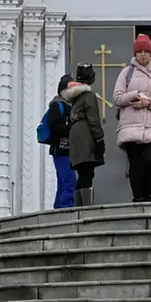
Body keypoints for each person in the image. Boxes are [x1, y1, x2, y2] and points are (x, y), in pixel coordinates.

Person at [113, 34, 151, 202]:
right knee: (135, 164)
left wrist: (148, 102)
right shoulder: (127, 72)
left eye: (146, 51)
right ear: (135, 53)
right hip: (130, 126)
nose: (143, 54)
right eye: (140, 51)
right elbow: (117, 98)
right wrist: (134, 96)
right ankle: (138, 197)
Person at [62, 64, 105, 206]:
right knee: (87, 173)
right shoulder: (89, 96)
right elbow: (93, 119)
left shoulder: (75, 98)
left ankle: (78, 206)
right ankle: (86, 207)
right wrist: (99, 139)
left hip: (75, 137)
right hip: (86, 137)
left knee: (82, 172)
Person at [46, 74, 75, 209]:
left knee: (63, 181)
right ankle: (66, 206)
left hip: (68, 149)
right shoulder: (57, 106)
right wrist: (72, 128)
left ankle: (59, 206)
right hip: (60, 149)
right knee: (69, 180)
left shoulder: (69, 106)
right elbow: (54, 127)